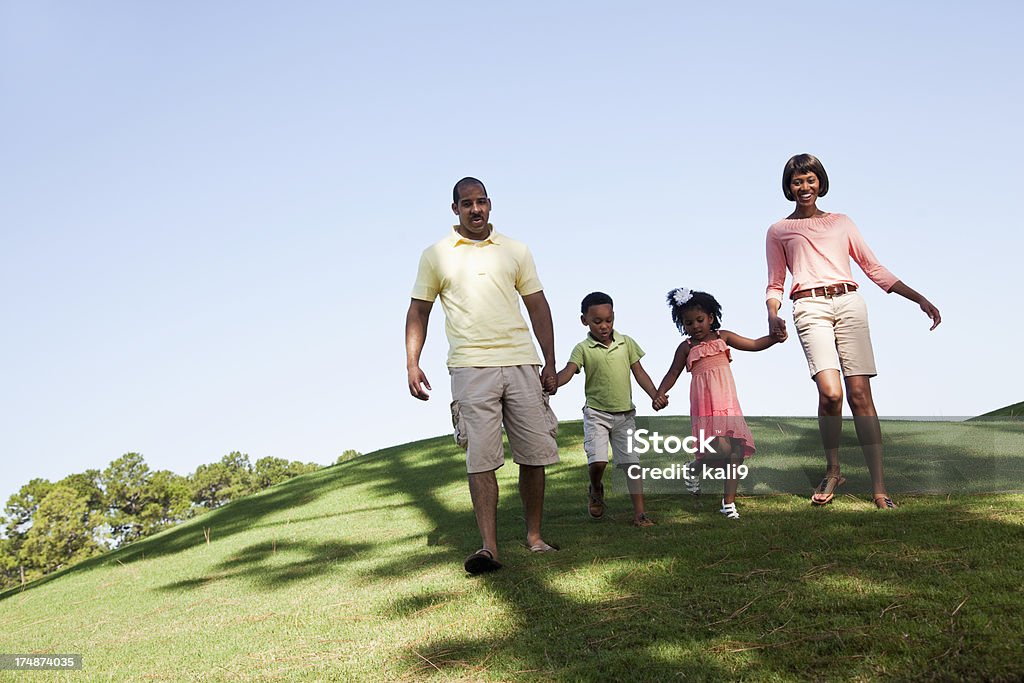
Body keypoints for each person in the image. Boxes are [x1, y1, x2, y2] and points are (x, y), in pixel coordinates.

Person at [765, 153, 941, 509]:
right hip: (809, 307)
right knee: (831, 393)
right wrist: (773, 313)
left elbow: (873, 268)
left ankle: (879, 488)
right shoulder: (779, 231)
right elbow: (775, 282)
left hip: (849, 304)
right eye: (797, 181)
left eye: (810, 180)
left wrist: (918, 298)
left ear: (820, 183)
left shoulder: (842, 223)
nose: (804, 187)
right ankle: (834, 469)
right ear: (788, 187)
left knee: (860, 395)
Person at [405, 177, 560, 575]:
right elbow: (418, 311)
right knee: (481, 459)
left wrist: (550, 361)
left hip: (521, 362)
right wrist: (412, 362)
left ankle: (535, 536)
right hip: (471, 367)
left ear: (490, 205)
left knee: (534, 454)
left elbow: (538, 307)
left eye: (482, 202)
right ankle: (489, 547)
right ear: (454, 208)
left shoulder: (516, 250)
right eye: (467, 203)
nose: (476, 209)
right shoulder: (435, 255)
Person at [654, 288, 778, 519]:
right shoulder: (686, 347)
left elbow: (752, 344)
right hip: (705, 407)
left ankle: (728, 503)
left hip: (728, 403)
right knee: (722, 448)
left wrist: (773, 338)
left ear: (711, 317)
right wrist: (660, 393)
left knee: (736, 452)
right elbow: (673, 373)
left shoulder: (723, 337)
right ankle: (695, 468)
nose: (695, 326)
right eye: (688, 322)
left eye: (700, 320)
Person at [555, 292, 662, 528]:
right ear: (584, 320)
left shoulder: (627, 343)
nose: (604, 326)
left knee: (632, 465)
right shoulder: (582, 348)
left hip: (625, 415)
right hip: (596, 414)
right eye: (597, 321)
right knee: (598, 462)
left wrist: (655, 394)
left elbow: (639, 372)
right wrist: (554, 382)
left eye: (609, 320)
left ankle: (640, 515)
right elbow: (569, 371)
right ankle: (595, 488)